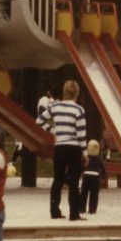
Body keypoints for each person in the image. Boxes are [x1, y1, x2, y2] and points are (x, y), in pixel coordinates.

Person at [37, 80, 87, 221]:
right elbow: (81, 133)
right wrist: (85, 153)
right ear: (77, 92)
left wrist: (54, 131)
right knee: (74, 181)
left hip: (60, 147)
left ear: (64, 92)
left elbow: (39, 121)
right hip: (74, 148)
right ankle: (74, 214)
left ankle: (54, 211)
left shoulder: (55, 107)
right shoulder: (79, 110)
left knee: (58, 180)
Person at [79, 140, 106, 215]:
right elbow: (103, 169)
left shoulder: (86, 158)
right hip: (96, 177)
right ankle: (92, 209)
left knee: (83, 193)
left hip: (86, 176)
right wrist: (103, 177)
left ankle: (82, 208)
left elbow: (82, 167)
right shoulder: (99, 159)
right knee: (94, 195)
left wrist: (80, 173)